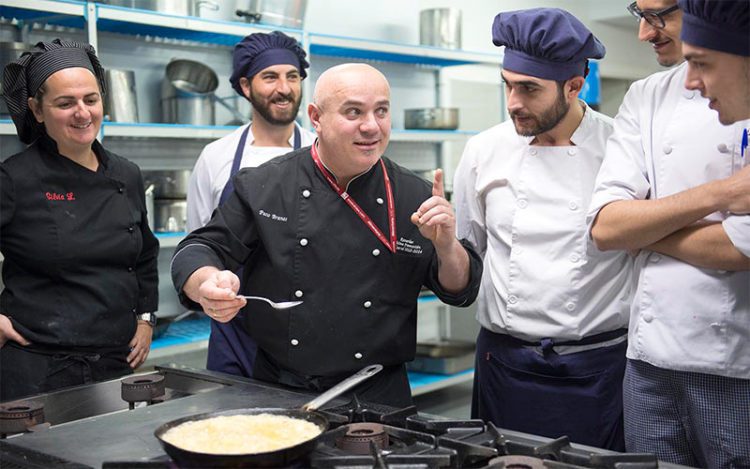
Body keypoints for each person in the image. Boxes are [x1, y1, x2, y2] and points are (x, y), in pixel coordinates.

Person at [171, 63, 482, 407]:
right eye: (353, 112)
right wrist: (207, 283)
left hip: (379, 393)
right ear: (316, 117)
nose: (371, 126)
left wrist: (446, 245)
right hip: (282, 388)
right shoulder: (267, 185)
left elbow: (459, 290)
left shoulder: (416, 194)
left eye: (381, 111)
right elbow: (201, 247)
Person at [453, 8, 632, 451]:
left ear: (575, 85)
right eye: (507, 85)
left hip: (597, 368)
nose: (513, 101)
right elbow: (468, 254)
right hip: (504, 364)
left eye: (529, 89)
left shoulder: (622, 150)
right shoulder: (483, 150)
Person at [588, 0, 750, 466]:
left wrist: (645, 226)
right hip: (647, 362)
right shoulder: (647, 95)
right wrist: (720, 194)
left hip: (734, 365)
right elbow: (606, 226)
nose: (644, 32)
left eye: (659, 14)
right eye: (639, 12)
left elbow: (737, 248)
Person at [0, 39, 159, 402]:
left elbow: (145, 256)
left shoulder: (126, 174)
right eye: (65, 103)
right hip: (37, 367)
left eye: (91, 99)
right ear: (36, 111)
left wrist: (146, 318)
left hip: (114, 364)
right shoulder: (14, 178)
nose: (82, 113)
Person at [186, 31, 315, 379]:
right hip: (234, 329)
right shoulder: (217, 157)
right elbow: (200, 243)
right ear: (245, 86)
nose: (284, 88)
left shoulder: (323, 153)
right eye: (270, 77)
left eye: (292, 76)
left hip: (307, 329)